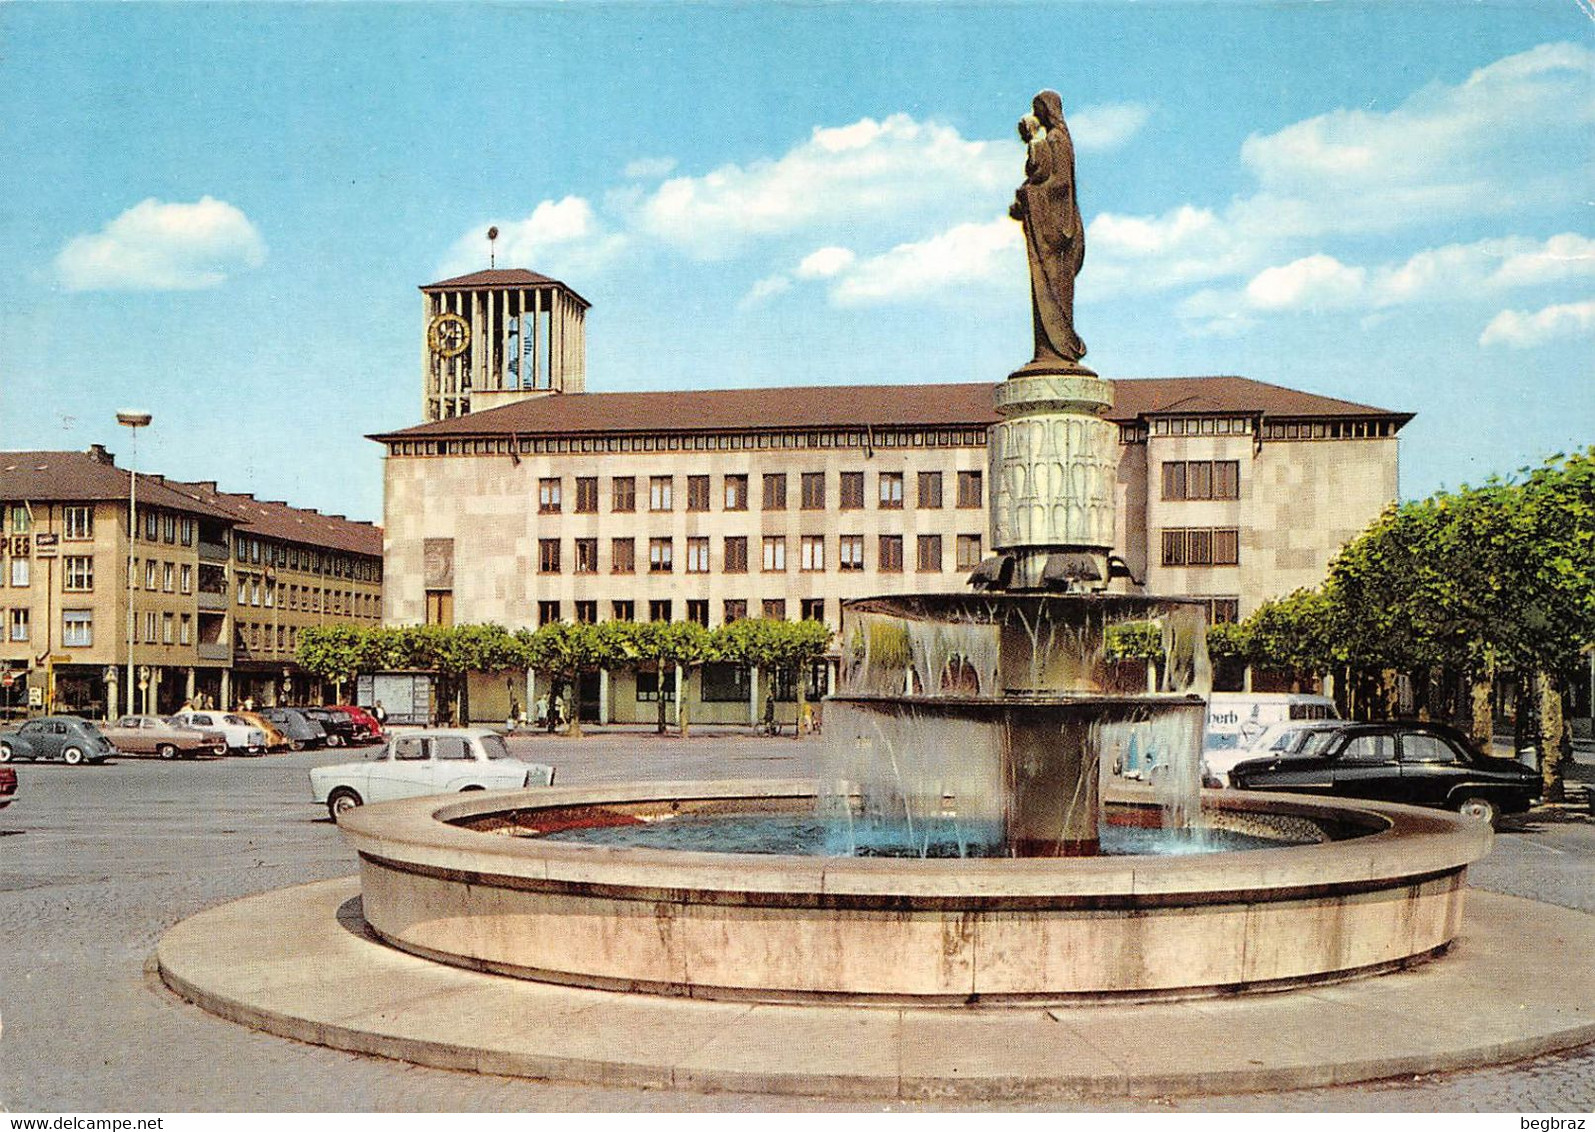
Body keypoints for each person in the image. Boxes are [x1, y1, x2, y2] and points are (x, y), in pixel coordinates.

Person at [1010, 89, 1087, 367]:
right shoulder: (1054, 139)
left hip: (1055, 229)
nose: (1035, 114)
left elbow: (1060, 184)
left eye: (1038, 108)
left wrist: (1028, 195)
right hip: (1048, 224)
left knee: (1053, 289)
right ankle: (1050, 352)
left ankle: (1059, 351)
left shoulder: (1056, 139)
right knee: (1048, 289)